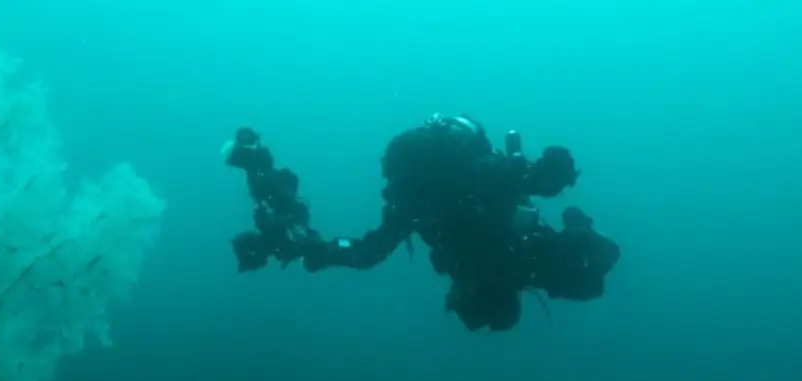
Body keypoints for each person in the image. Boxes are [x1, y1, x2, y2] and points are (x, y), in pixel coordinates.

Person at [222, 114, 621, 331]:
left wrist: (316, 249)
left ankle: (258, 168)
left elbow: (365, 253)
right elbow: (516, 177)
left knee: (363, 253)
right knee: (586, 278)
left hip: (449, 200)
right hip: (455, 195)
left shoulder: (457, 209)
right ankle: (259, 168)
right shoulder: (463, 193)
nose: (455, 294)